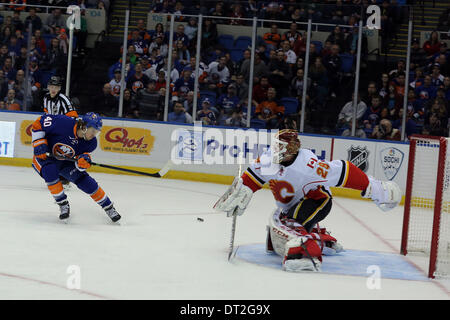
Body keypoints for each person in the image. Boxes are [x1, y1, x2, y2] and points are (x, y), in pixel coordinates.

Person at [214, 129, 401, 272]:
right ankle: (320, 238)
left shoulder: (308, 165)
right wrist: (245, 189)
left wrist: (374, 188)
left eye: (281, 146)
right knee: (285, 222)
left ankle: (308, 254)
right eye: (276, 144)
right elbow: (253, 176)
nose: (276, 149)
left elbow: (343, 171)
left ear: (292, 149)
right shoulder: (269, 158)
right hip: (292, 204)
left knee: (292, 224)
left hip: (317, 200)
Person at [31, 112, 121, 223]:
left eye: (97, 132)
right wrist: (38, 142)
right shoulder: (64, 122)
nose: (94, 135)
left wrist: (83, 162)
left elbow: (81, 161)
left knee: (85, 181)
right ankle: (63, 204)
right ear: (84, 127)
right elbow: (39, 122)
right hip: (45, 157)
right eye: (93, 131)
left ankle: (109, 207)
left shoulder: (91, 143)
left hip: (65, 161)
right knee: (50, 172)